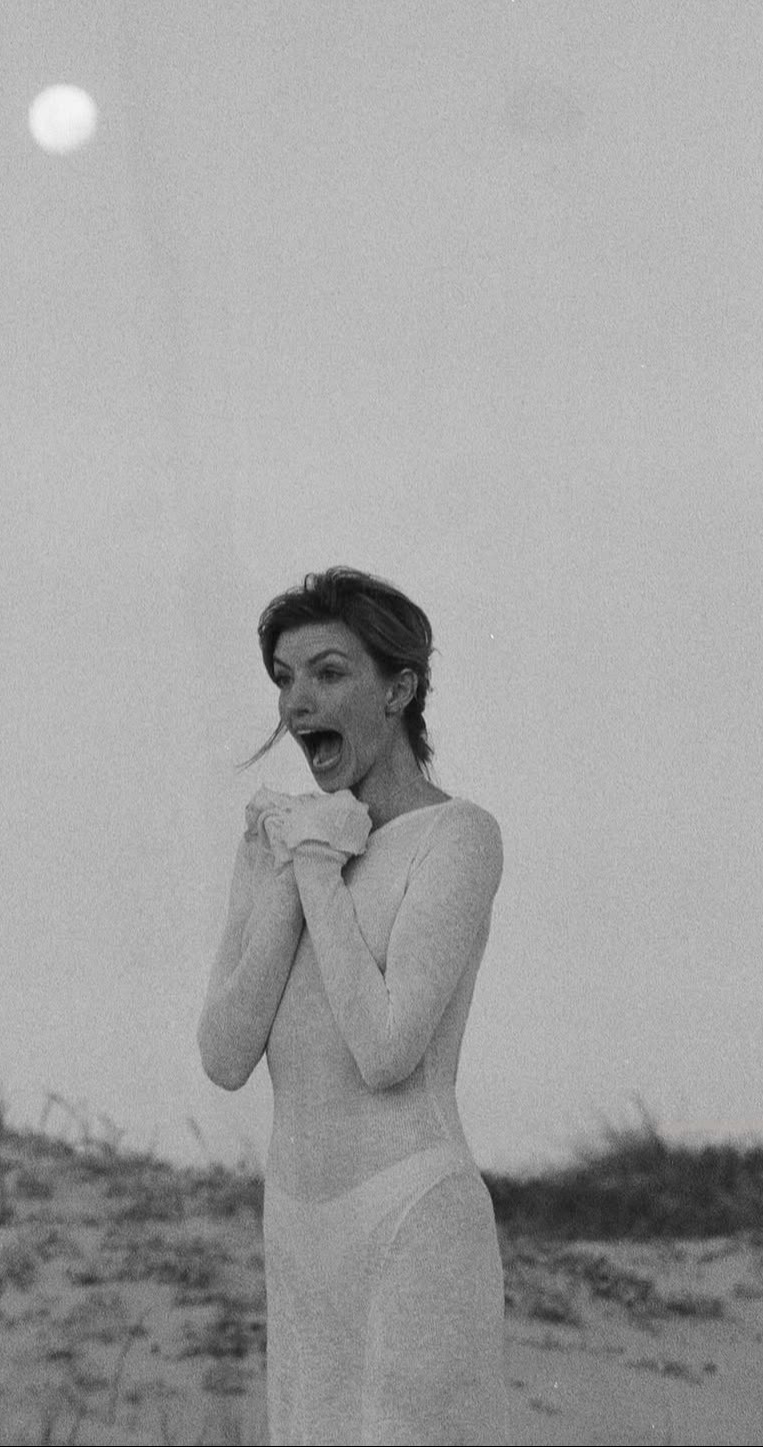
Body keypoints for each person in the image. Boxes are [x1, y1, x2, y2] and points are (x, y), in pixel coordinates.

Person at [197, 566, 507, 1446]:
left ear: (398, 688)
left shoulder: (459, 836)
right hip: (297, 1232)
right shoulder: (283, 840)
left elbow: (385, 1049)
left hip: (414, 1221)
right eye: (284, 677)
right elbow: (224, 1055)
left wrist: (318, 868)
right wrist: (295, 865)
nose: (298, 702)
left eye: (329, 672)